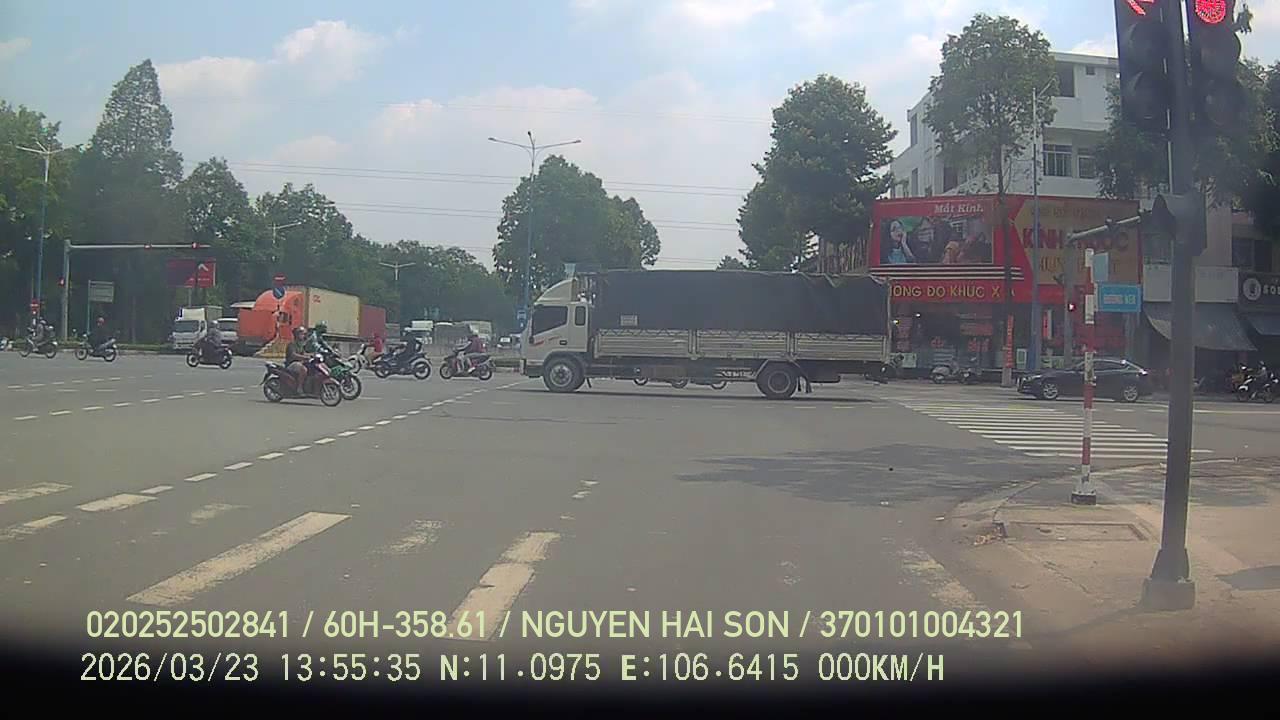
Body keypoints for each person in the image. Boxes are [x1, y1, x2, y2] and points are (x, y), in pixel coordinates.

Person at [285, 326, 309, 391]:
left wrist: (313, 355)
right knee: (303, 369)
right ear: (297, 334)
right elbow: (293, 355)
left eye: (304, 334)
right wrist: (305, 357)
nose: (303, 336)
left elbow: (304, 353)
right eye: (302, 334)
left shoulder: (300, 344)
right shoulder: (292, 344)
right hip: (291, 364)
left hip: (299, 363)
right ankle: (299, 387)